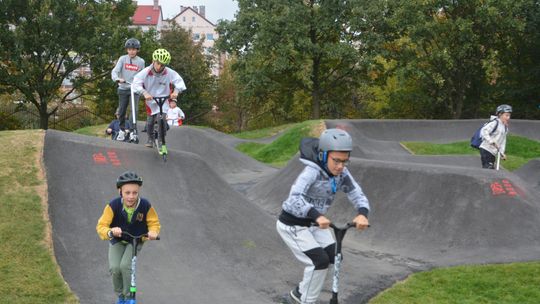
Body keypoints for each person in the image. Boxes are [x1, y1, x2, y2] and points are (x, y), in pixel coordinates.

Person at [276, 128, 370, 304]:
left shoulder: (342, 174)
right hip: (293, 225)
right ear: (322, 155)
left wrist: (362, 214)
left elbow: (357, 194)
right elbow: (294, 197)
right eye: (336, 160)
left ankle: (298, 294)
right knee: (319, 261)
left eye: (345, 161)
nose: (340, 166)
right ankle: (305, 301)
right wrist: (316, 215)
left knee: (335, 257)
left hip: (314, 225)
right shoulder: (311, 172)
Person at [96, 171, 161, 304]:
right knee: (115, 268)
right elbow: (101, 226)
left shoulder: (145, 205)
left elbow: (153, 222)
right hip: (117, 240)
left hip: (135, 240)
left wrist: (153, 232)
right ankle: (120, 295)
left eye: (135, 193)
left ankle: (128, 298)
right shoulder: (113, 205)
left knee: (125, 266)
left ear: (138, 192)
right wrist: (110, 231)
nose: (131, 196)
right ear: (120, 192)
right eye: (127, 193)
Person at [132, 48, 187, 147]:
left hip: (164, 99)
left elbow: (179, 82)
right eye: (158, 63)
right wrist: (144, 93)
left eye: (162, 65)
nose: (159, 66)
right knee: (150, 122)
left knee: (161, 118)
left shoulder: (169, 72)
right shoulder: (146, 72)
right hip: (150, 100)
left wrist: (176, 91)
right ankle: (150, 138)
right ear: (153, 61)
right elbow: (135, 83)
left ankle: (162, 139)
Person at [111, 38, 145, 141]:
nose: (131, 51)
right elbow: (115, 71)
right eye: (130, 49)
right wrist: (117, 79)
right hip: (123, 87)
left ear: (137, 50)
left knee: (134, 110)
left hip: (134, 89)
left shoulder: (141, 61)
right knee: (121, 110)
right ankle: (121, 130)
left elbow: (142, 75)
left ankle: (132, 131)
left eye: (134, 49)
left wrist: (140, 85)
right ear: (127, 50)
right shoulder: (122, 59)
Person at [479, 104, 512, 169]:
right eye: (506, 115)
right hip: (486, 149)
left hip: (493, 152)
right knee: (488, 168)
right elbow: (484, 131)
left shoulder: (505, 127)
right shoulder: (495, 123)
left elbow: (503, 141)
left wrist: (502, 153)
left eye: (509, 116)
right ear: (500, 114)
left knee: (491, 170)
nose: (508, 118)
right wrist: (491, 141)